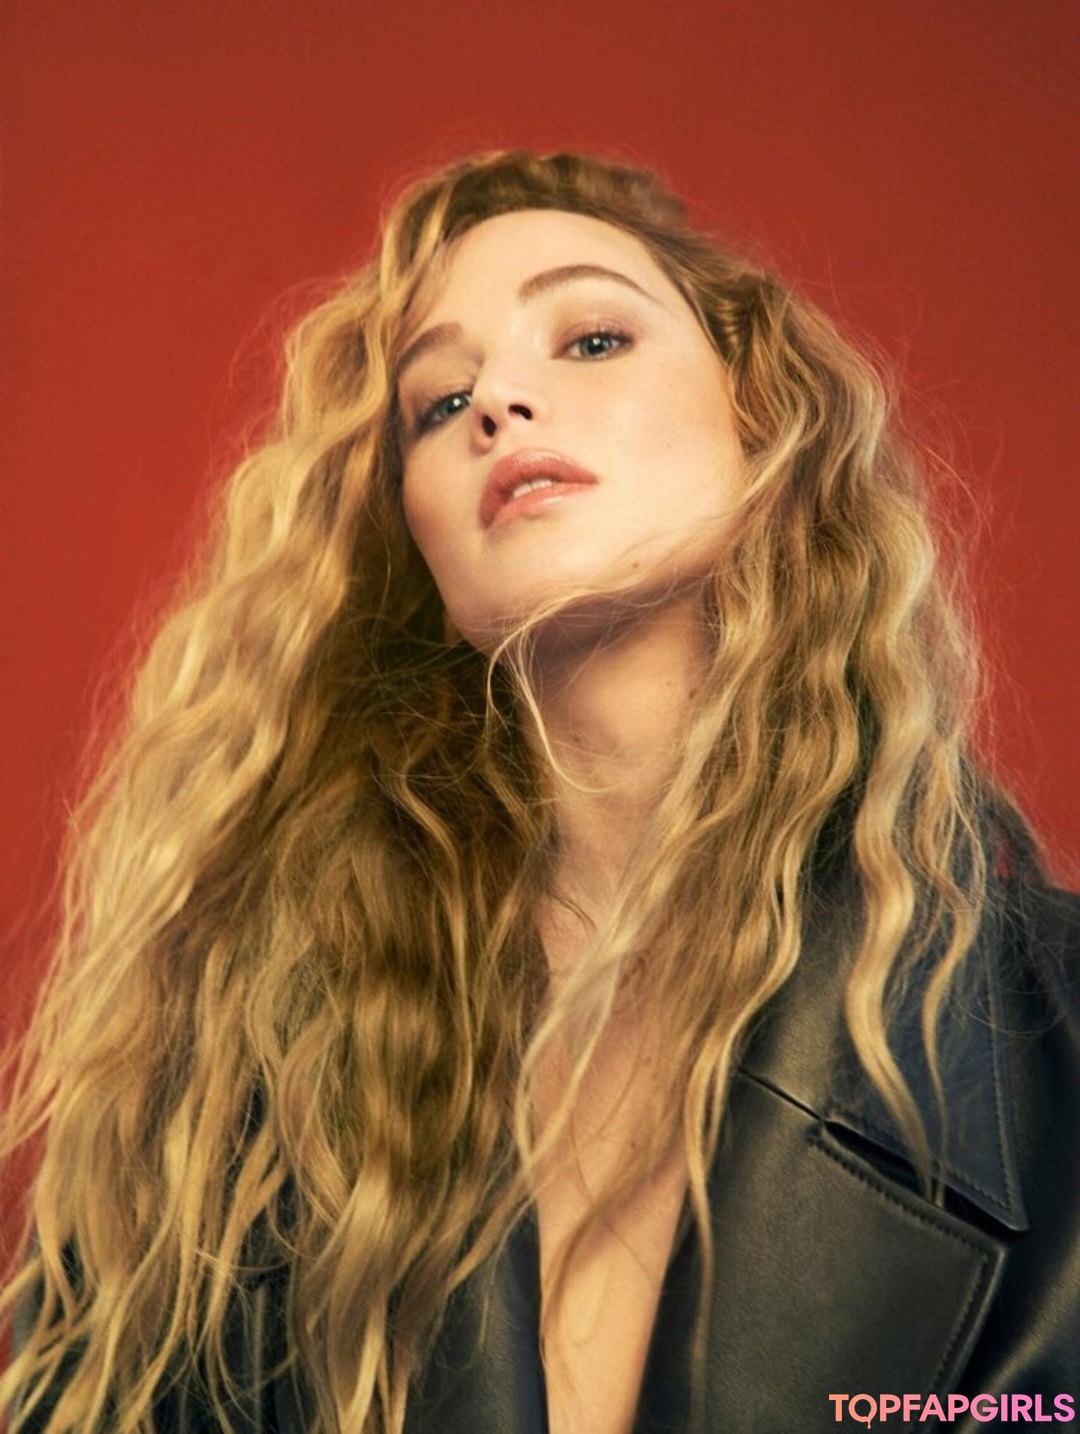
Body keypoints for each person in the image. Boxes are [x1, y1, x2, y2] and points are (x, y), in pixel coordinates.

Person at [2, 150, 1077, 1434]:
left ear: (768, 426)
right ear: (416, 551)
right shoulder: (244, 1114)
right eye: (438, 400)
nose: (500, 402)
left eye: (593, 339)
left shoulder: (1059, 1042)